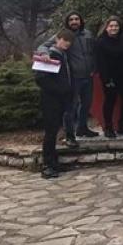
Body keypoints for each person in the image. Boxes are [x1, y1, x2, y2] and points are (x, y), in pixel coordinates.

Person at [37, 11, 97, 145]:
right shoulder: (63, 36)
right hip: (74, 78)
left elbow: (93, 51)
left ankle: (83, 128)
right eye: (71, 20)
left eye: (77, 19)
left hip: (88, 76)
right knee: (71, 108)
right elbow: (43, 46)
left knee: (86, 104)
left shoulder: (88, 34)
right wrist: (44, 54)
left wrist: (95, 67)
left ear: (81, 21)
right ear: (67, 22)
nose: (74, 22)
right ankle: (70, 135)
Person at [34, 29, 75, 179]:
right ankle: (47, 164)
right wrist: (59, 90)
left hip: (61, 99)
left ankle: (53, 161)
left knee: (55, 130)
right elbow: (41, 78)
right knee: (50, 132)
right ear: (57, 39)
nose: (66, 43)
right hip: (50, 99)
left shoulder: (64, 55)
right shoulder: (49, 55)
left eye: (69, 41)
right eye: (64, 40)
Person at [95, 16, 123, 138]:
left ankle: (122, 124)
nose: (114, 28)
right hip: (109, 77)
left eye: (116, 26)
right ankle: (108, 127)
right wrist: (106, 79)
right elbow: (100, 62)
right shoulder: (101, 42)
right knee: (110, 101)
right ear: (106, 28)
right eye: (111, 26)